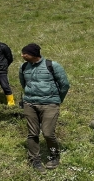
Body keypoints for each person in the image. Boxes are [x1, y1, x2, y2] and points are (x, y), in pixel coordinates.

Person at [19, 43, 70, 173]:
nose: (22, 55)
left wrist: (56, 100)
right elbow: (23, 83)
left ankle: (54, 156)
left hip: (50, 104)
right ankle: (34, 159)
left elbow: (64, 85)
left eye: (24, 53)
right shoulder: (23, 66)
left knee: (48, 133)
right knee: (32, 133)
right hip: (30, 104)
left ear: (33, 54)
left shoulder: (52, 65)